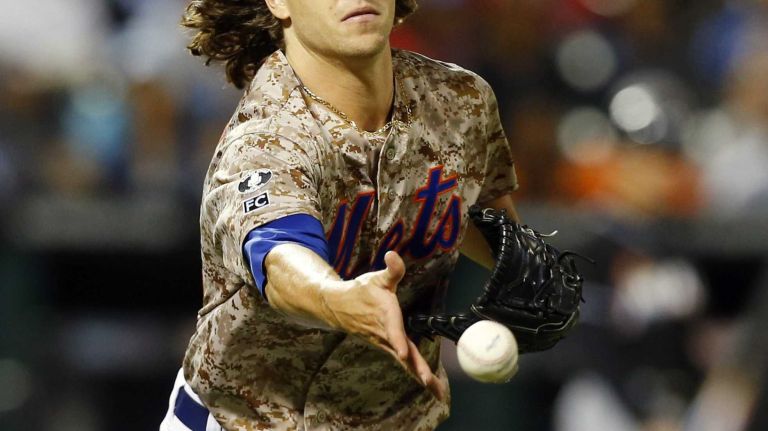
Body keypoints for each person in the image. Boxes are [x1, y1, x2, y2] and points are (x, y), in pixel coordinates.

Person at [160, 0, 520, 429]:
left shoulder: (460, 103)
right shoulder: (268, 136)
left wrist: (531, 272)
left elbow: (491, 226)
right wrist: (337, 299)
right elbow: (278, 254)